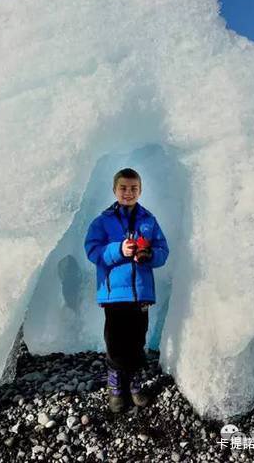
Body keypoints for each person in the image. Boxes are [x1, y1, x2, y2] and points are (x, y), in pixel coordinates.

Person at [84, 168, 169, 413]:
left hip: (141, 293)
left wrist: (149, 254)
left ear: (140, 190)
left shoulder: (149, 221)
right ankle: (115, 386)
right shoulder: (102, 221)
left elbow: (163, 251)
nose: (128, 192)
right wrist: (119, 250)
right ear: (115, 190)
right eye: (123, 188)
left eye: (133, 188)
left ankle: (134, 382)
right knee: (115, 340)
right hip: (114, 295)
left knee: (137, 338)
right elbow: (93, 251)